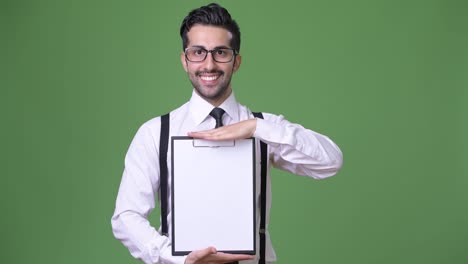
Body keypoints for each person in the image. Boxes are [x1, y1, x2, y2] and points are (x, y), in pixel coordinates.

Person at [111, 3, 343, 264]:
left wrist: (256, 128)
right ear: (185, 61)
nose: (209, 64)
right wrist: (176, 257)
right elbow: (126, 217)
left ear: (237, 61)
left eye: (220, 52)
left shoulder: (265, 128)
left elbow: (330, 162)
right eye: (198, 52)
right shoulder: (155, 133)